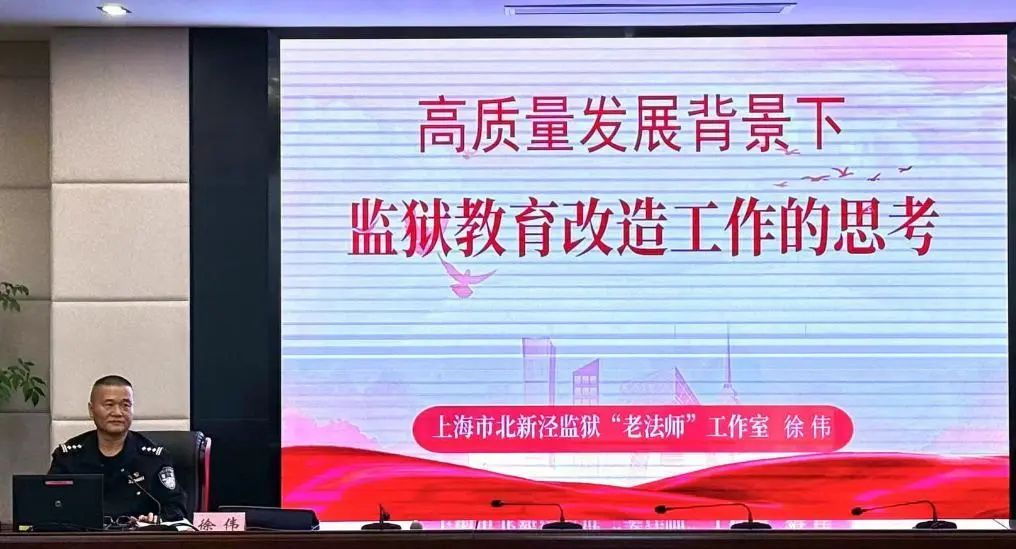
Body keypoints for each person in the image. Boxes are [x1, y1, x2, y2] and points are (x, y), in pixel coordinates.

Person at [48, 375, 188, 524]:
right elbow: (49, 504)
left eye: (125, 405)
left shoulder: (154, 458)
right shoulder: (69, 457)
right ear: (91, 410)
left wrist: (155, 520)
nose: (118, 413)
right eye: (109, 405)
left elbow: (176, 508)